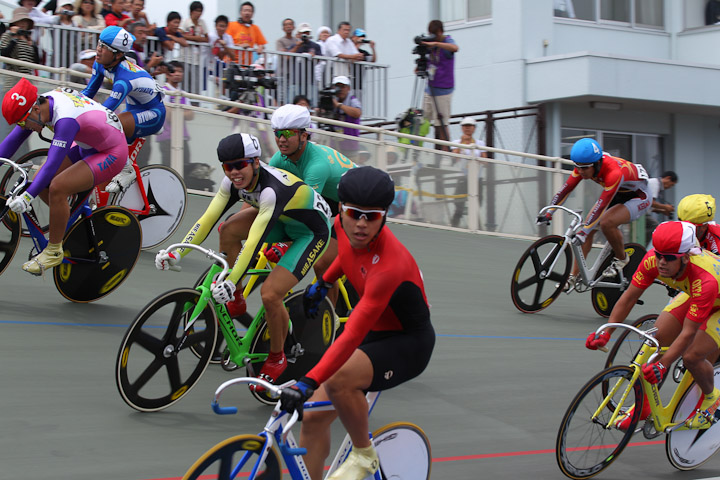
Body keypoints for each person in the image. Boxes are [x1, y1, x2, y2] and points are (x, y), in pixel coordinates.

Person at [279, 166, 435, 480]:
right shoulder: (341, 226)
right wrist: (321, 283)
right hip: (377, 333)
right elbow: (347, 257)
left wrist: (307, 381)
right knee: (314, 419)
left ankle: (364, 455)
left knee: (337, 381)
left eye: (372, 217)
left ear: (385, 216)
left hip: (407, 344)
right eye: (354, 213)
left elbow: (351, 334)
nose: (361, 225)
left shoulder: (390, 266)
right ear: (341, 209)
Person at [155, 133, 332, 387]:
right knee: (227, 230)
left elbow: (253, 243)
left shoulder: (271, 191)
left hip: (310, 232)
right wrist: (176, 252)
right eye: (228, 166)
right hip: (283, 220)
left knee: (271, 295)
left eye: (240, 165)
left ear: (255, 163)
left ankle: (277, 356)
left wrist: (231, 277)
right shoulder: (231, 183)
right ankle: (236, 298)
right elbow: (208, 219)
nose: (234, 172)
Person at [586, 221, 720, 430]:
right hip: (695, 294)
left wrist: (663, 364)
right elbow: (628, 298)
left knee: (692, 356)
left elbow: (687, 332)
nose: (661, 262)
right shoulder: (652, 261)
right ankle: (644, 406)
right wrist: (606, 332)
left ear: (685, 257)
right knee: (656, 340)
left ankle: (712, 398)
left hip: (715, 301)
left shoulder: (705, 280)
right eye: (658, 255)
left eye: (668, 258)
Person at [0, 78, 127, 274]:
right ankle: (68, 219)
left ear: (34, 109)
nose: (23, 127)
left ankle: (53, 251)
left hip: (110, 152)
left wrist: (27, 197)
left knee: (57, 186)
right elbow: (11, 142)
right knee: (42, 181)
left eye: (23, 122)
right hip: (88, 144)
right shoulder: (38, 107)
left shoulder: (64, 118)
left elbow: (52, 164)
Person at [541, 138, 651, 281]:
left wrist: (583, 232)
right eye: (578, 167)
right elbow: (565, 190)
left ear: (597, 163)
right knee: (588, 227)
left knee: (605, 223)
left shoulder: (614, 173)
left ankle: (622, 258)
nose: (581, 171)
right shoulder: (584, 165)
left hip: (639, 197)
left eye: (585, 168)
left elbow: (602, 205)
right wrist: (548, 213)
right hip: (618, 192)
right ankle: (573, 277)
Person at [82, 26, 165, 189]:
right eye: (99, 44)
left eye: (104, 47)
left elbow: (104, 113)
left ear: (118, 54)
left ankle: (126, 170)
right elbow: (88, 93)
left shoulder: (123, 80)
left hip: (154, 114)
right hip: (135, 108)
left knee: (112, 123)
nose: (98, 50)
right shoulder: (100, 64)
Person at [421, 19, 458, 148]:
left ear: (440, 32)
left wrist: (437, 43)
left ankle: (445, 154)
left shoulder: (447, 41)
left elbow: (455, 48)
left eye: (434, 34)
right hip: (430, 88)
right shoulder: (430, 46)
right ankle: (416, 151)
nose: (432, 37)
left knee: (441, 123)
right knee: (422, 121)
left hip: (443, 89)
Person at [450, 116, 487, 228]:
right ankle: (454, 225)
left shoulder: (479, 143)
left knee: (476, 204)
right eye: (465, 126)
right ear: (462, 128)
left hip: (476, 178)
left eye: (470, 126)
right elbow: (454, 158)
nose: (467, 128)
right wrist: (462, 143)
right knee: (459, 202)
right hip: (462, 177)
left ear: (474, 128)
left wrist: (475, 159)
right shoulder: (456, 142)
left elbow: (485, 161)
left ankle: (477, 228)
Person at [156, 61, 192, 168]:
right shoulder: (163, 91)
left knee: (185, 168)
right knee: (168, 168)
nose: (177, 73)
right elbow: (169, 116)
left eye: (180, 71)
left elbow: (191, 115)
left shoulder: (183, 93)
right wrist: (182, 112)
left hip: (182, 137)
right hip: (166, 138)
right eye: (174, 71)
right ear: (167, 74)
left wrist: (176, 111)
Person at [179, 1, 208, 93]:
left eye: (200, 11)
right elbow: (180, 34)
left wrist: (192, 38)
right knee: (184, 86)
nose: (199, 13)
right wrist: (197, 38)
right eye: (197, 11)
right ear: (191, 11)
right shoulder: (185, 22)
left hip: (197, 60)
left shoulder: (202, 23)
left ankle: (194, 105)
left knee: (196, 88)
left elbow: (207, 39)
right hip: (185, 58)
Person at [226, 1, 266, 65]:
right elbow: (226, 43)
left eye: (249, 11)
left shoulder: (255, 28)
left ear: (252, 14)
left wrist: (261, 47)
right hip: (231, 63)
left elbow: (261, 44)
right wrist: (240, 46)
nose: (247, 13)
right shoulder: (231, 25)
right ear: (240, 13)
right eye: (245, 10)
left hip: (247, 65)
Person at [645, 170, 678, 244]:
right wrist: (666, 207)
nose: (670, 187)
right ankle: (642, 245)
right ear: (668, 178)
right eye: (671, 184)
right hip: (640, 211)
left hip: (641, 209)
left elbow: (648, 206)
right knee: (654, 225)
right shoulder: (655, 183)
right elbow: (651, 202)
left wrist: (662, 211)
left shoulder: (655, 184)